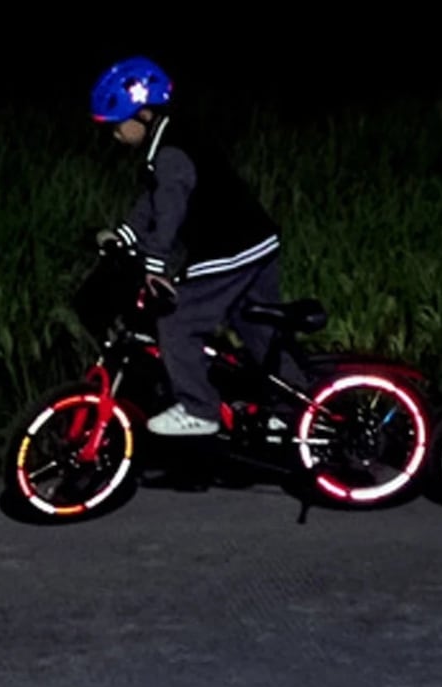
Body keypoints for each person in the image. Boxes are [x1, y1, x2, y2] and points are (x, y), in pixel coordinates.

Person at [90, 55, 296, 437]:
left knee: (176, 319)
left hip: (230, 247)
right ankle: (296, 408)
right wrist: (125, 237)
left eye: (116, 126)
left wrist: (154, 266)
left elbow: (169, 211)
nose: (113, 135)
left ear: (144, 115)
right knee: (259, 328)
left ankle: (200, 408)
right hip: (257, 241)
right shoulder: (173, 138)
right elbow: (151, 204)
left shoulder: (170, 154)